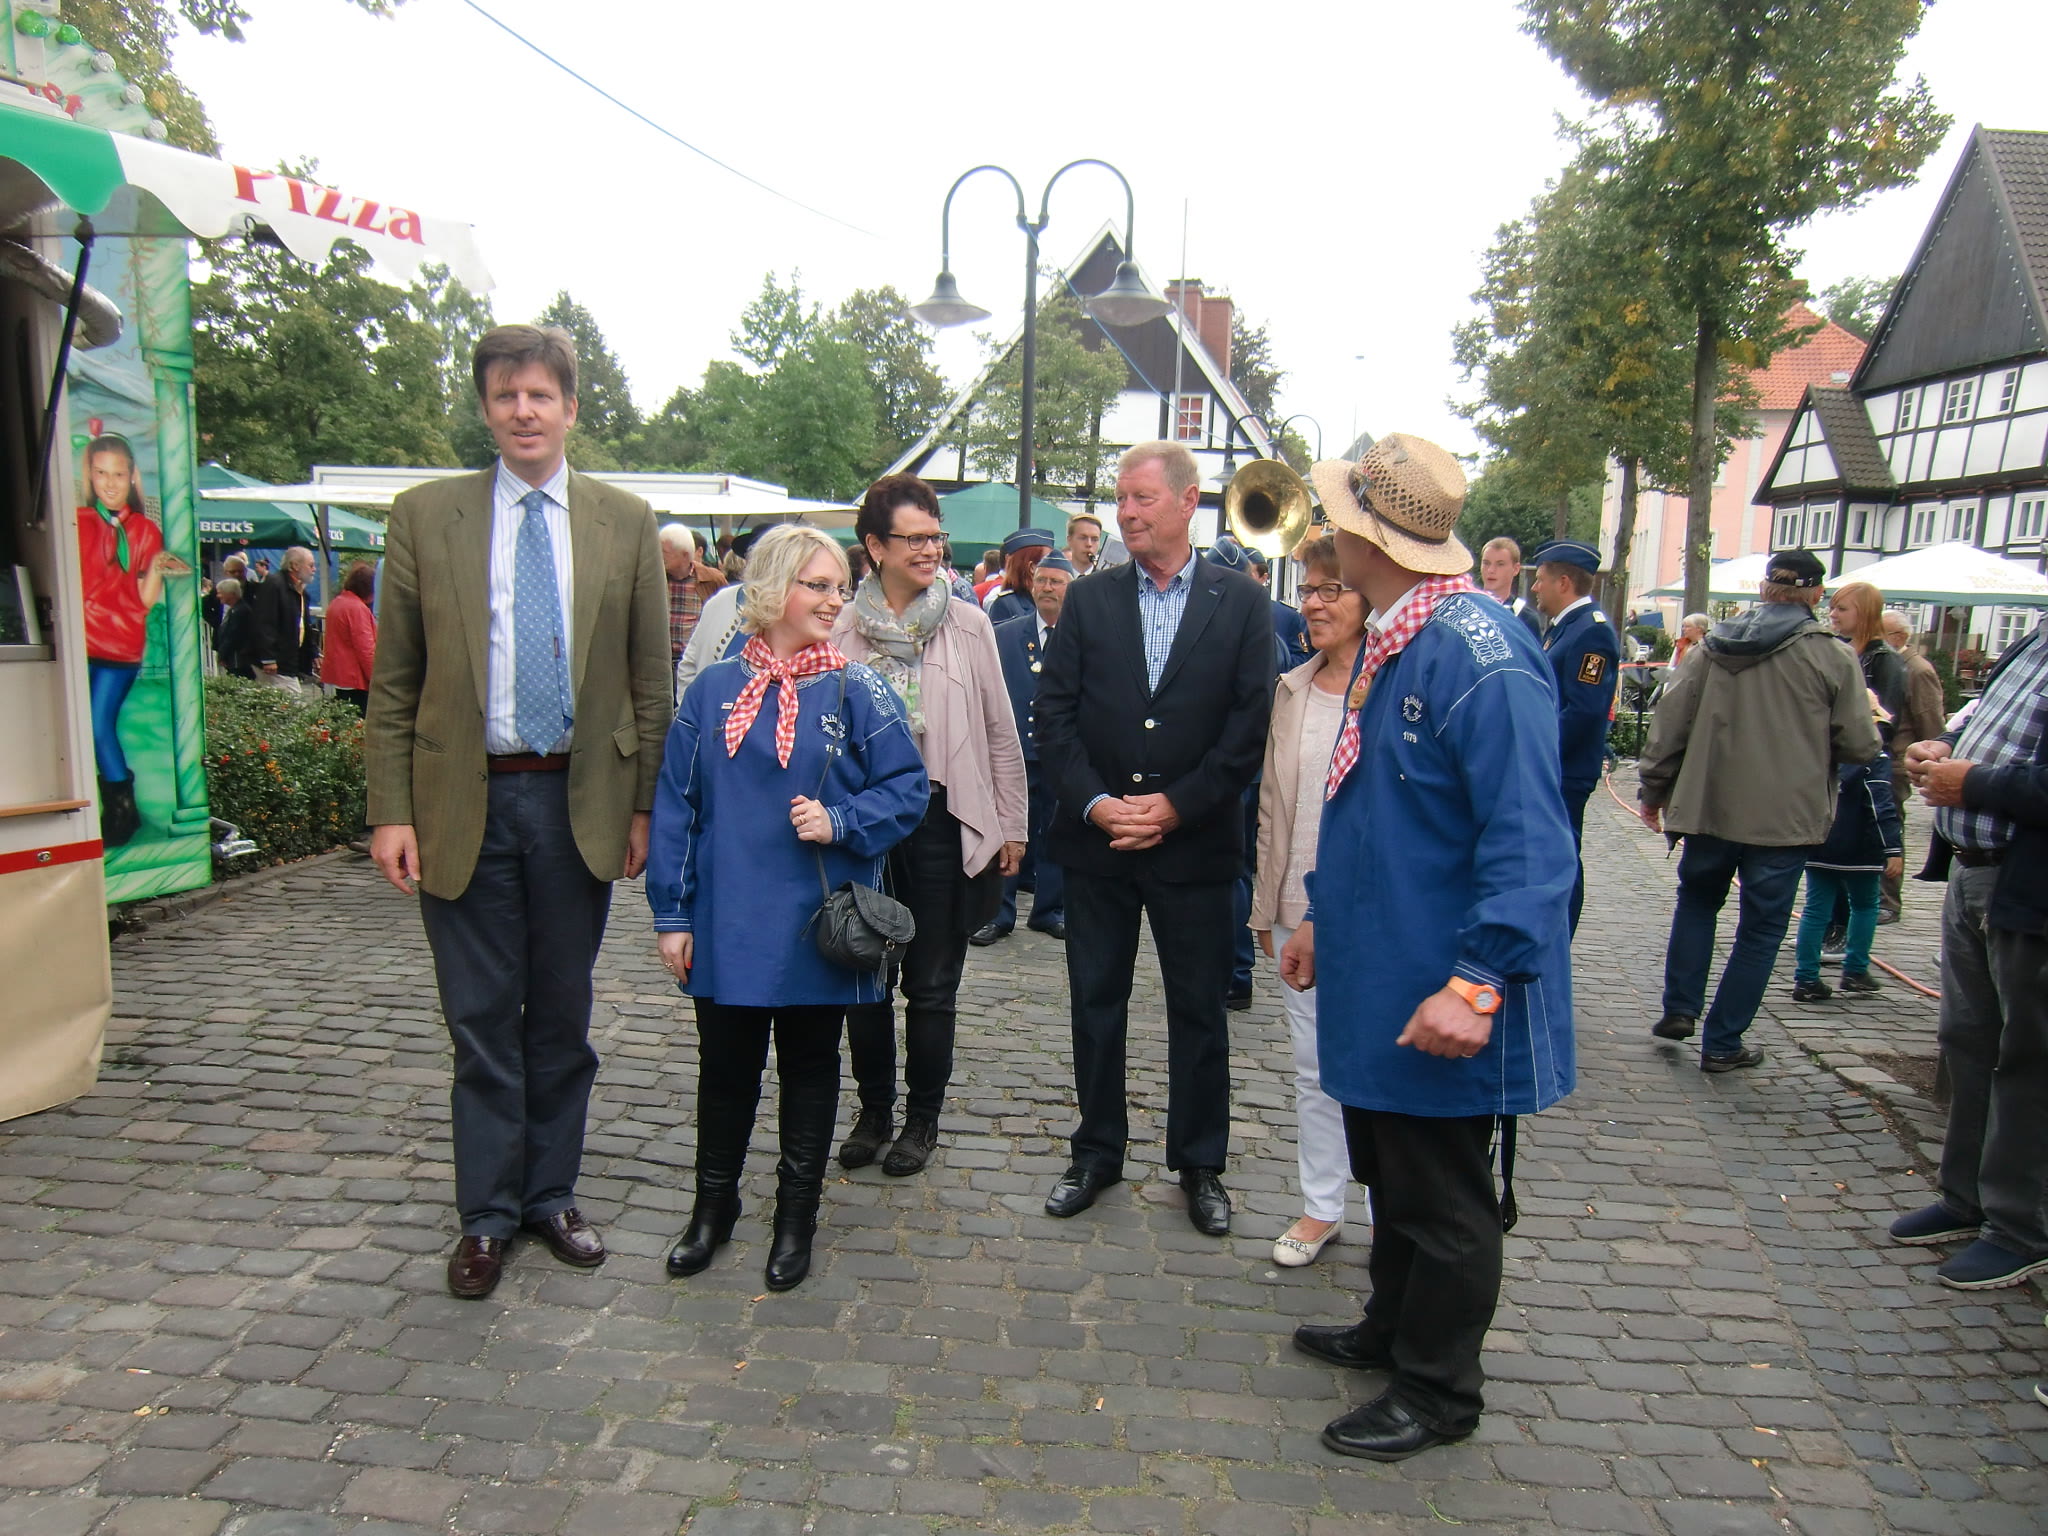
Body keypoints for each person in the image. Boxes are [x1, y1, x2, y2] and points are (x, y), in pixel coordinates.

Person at [1282, 433, 1575, 1462]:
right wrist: (1322, 914)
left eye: (1338, 519)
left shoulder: (1479, 656)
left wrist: (1479, 980)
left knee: (1443, 1197)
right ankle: (1392, 1327)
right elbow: (1376, 809)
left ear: (1372, 541)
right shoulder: (1403, 634)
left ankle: (1439, 1389)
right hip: (1384, 966)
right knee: (1392, 1171)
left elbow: (1530, 841)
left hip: (1438, 982)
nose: (1326, 534)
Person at [364, 324, 673, 1301]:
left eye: (540, 395)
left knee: (562, 1014)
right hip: (464, 799)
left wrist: (646, 807)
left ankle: (550, 1195)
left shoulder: (624, 521)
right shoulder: (427, 516)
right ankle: (487, 1215)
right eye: (506, 396)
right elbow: (394, 678)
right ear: (486, 410)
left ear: (570, 408)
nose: (524, 411)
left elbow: (650, 680)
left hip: (579, 800)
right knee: (481, 1018)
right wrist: (390, 810)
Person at [647, 527, 928, 1290]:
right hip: (726, 917)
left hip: (817, 920)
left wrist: (841, 820)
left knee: (810, 1069)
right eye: (817, 585)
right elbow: (676, 805)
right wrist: (671, 915)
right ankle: (713, 1210)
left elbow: (907, 789)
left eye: (839, 587)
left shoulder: (858, 689)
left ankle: (795, 1218)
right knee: (724, 1071)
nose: (835, 601)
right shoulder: (712, 689)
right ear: (773, 588)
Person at [1035, 441, 1274, 1237]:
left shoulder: (1241, 603)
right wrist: (1098, 804)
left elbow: (1248, 727)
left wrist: (1175, 806)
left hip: (1194, 847)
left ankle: (1200, 1164)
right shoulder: (1089, 599)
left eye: (1141, 498)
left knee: (1198, 1011)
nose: (1127, 512)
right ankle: (1097, 1151)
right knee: (1095, 1003)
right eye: (1121, 498)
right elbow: (1054, 717)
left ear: (1187, 501)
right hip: (1098, 846)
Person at [835, 474, 1027, 1178]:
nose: (929, 550)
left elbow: (1000, 730)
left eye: (935, 536)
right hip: (865, 825)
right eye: (913, 539)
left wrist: (1012, 823)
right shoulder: (840, 627)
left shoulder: (968, 624)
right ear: (875, 546)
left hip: (943, 820)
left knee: (933, 982)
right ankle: (873, 1111)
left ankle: (922, 1120)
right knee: (865, 974)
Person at [1636, 549, 1882, 1072]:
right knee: (1762, 928)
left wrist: (1653, 789)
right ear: (1816, 594)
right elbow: (1860, 744)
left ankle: (1680, 1007)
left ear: (1765, 589)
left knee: (1697, 902)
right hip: (1784, 818)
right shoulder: (1831, 656)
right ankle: (1724, 1041)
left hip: (1709, 806)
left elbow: (1669, 724)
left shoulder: (1710, 647)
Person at [1890, 614, 2048, 1291]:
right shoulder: (2036, 636)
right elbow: (1989, 726)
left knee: (2027, 1058)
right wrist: (1943, 747)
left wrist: (1973, 782)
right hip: (1974, 869)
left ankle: (2021, 1227)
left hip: (2028, 884)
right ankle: (1968, 1197)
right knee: (1968, 1040)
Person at [1249, 534, 1368, 1269]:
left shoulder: (1393, 682)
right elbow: (1271, 806)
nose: (1314, 604)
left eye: (1332, 589)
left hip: (1373, 908)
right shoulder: (1292, 689)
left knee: (1380, 1063)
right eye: (1308, 590)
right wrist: (1267, 906)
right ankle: (1322, 1204)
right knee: (1315, 1066)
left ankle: (1390, 1207)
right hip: (1299, 903)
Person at [76, 432, 184, 848]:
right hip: (81, 641)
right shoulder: (78, 522)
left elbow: (143, 600)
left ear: (132, 476)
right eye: (101, 473)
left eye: (118, 474)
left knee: (98, 722)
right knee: (86, 724)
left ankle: (122, 807)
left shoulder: (144, 530)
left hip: (119, 643)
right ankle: (114, 806)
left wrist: (156, 568)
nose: (109, 482)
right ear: (90, 474)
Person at [978, 550, 1076, 947]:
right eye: (1042, 580)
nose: (1047, 588)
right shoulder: (1004, 634)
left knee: (1056, 832)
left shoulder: (1082, 636)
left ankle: (1049, 910)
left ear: (1071, 589)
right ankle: (997, 913)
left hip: (1062, 753)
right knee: (1006, 832)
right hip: (1013, 751)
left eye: (1057, 582)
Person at [1528, 539, 1620, 936]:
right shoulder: (1566, 627)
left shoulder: (1591, 633)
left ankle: (1559, 938)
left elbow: (1582, 711)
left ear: (1563, 582)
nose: (1535, 587)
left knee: (1562, 856)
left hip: (1565, 768)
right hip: (1555, 766)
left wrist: (1537, 751)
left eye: (1541, 579)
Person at [1789, 695, 1903, 1001]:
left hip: (1819, 840)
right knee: (1865, 905)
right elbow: (1881, 805)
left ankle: (1806, 977)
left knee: (1815, 911)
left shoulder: (1819, 749)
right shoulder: (1874, 757)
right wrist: (1892, 848)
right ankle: (1855, 970)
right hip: (1860, 847)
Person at [1878, 609, 1949, 922]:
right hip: (1880, 758)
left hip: (1896, 762)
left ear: (1898, 637)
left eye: (1880, 632)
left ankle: (1888, 901)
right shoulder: (1886, 661)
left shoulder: (1917, 669)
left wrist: (1933, 761)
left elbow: (1930, 719)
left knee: (1889, 828)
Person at [677, 526, 781, 696]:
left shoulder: (798, 612)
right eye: (758, 556)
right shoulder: (720, 601)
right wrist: (689, 707)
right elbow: (690, 664)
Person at [246, 545, 316, 693]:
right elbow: (264, 623)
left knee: (281, 701)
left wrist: (313, 652)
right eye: (310, 565)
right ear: (295, 566)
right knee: (293, 701)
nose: (314, 569)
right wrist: (268, 658)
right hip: (277, 661)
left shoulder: (300, 591)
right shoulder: (274, 585)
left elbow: (303, 624)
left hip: (287, 660)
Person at [659, 523, 722, 679]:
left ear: (685, 555)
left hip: (695, 664)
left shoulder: (712, 579)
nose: (659, 556)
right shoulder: (654, 579)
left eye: (664, 552)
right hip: (661, 662)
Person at [320, 561, 378, 712]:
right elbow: (366, 649)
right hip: (354, 678)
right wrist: (376, 680)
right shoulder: (357, 609)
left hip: (338, 675)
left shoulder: (337, 602)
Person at [984, 527, 1055, 627]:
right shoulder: (1006, 605)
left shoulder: (1054, 602)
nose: (1055, 565)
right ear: (1032, 567)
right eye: (1048, 561)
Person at [1476, 535, 1544, 639]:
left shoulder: (1526, 618)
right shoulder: (1467, 608)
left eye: (1500, 564)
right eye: (1486, 563)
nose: (1491, 570)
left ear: (1516, 569)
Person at [213, 577, 253, 679]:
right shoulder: (234, 610)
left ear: (230, 594)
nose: (218, 596)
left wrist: (222, 655)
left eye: (220, 593)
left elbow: (232, 636)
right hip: (234, 660)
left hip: (239, 661)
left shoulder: (240, 611)